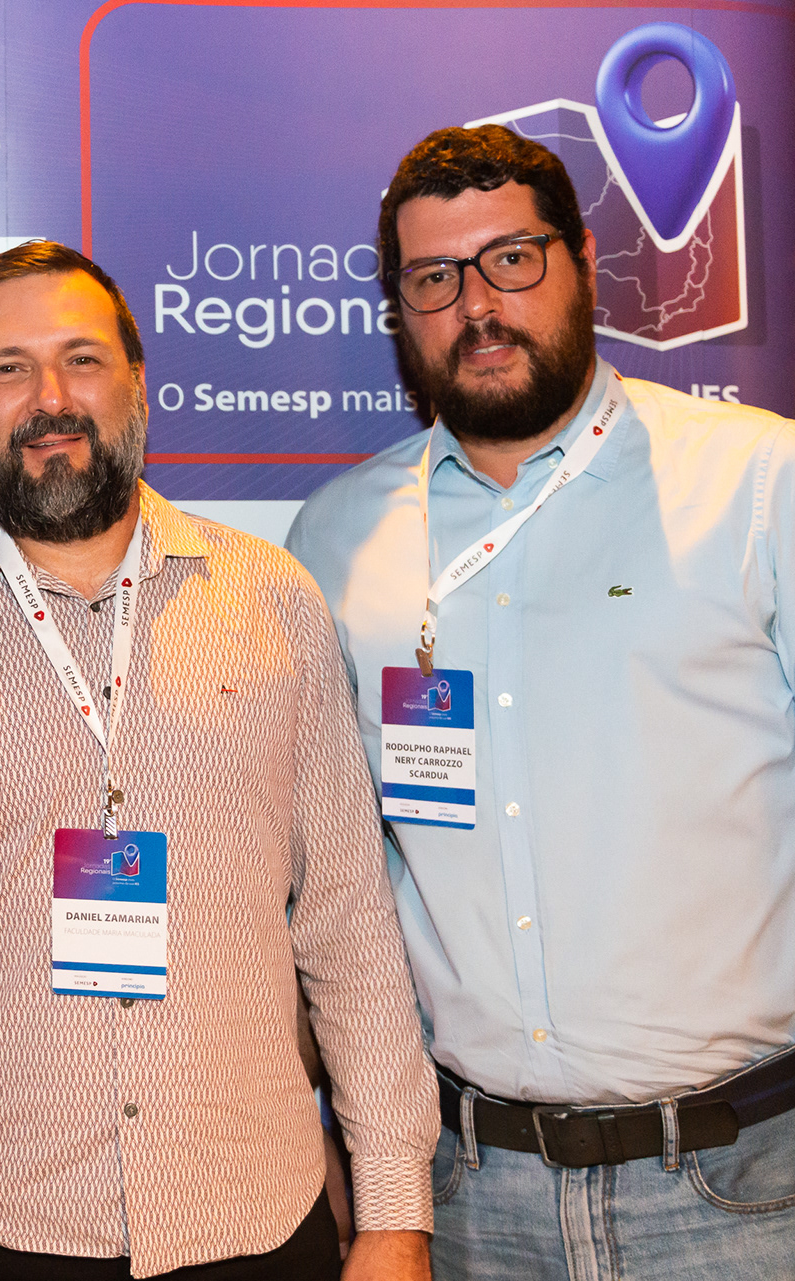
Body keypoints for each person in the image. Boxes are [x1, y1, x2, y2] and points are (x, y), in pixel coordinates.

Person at [0, 240, 437, 1281]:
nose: (50, 398)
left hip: (252, 1217)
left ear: (138, 381)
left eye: (81, 360)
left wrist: (394, 1210)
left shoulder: (275, 603)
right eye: (9, 369)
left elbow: (349, 919)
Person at [284, 125, 795, 1278]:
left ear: (583, 262)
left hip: (743, 1193)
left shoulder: (759, 485)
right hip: (470, 1200)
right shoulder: (337, 540)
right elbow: (329, 886)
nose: (478, 305)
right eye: (435, 278)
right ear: (400, 310)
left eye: (511, 258)